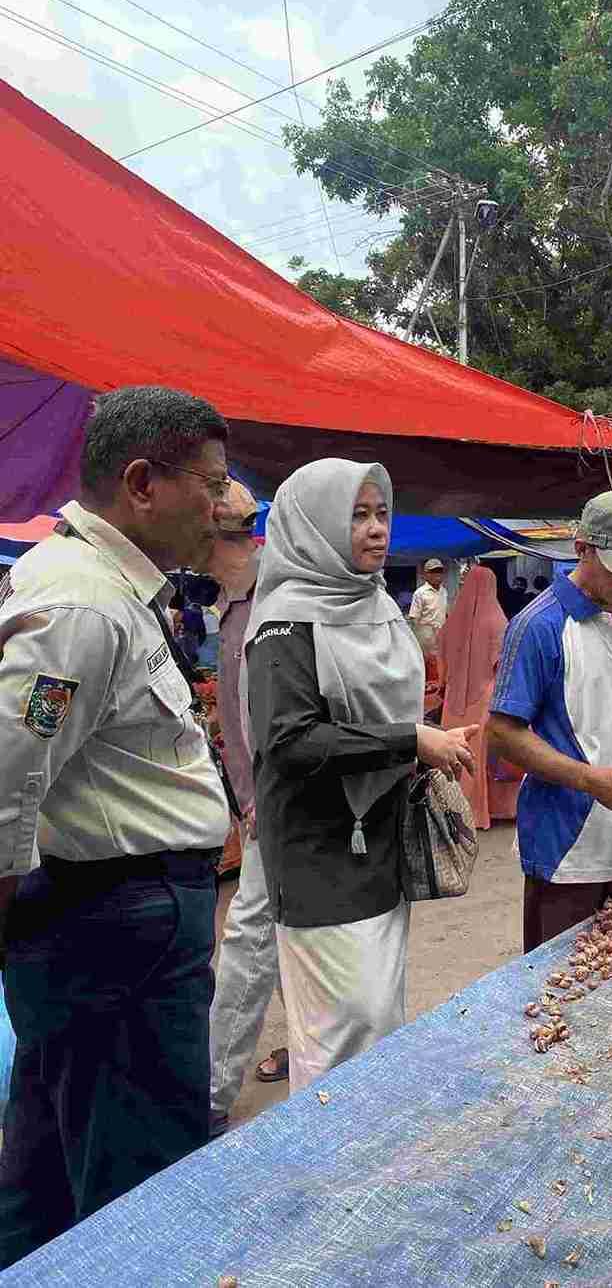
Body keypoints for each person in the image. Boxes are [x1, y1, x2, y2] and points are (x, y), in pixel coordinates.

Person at [0, 386, 232, 1267]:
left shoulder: (100, 591)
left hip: (114, 921)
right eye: (208, 485)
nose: (220, 506)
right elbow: (12, 774)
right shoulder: (83, 609)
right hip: (114, 926)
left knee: (58, 1162)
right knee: (137, 1182)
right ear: (142, 483)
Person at [244, 460, 476, 1093]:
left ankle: (367, 1171)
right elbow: (288, 743)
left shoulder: (374, 603)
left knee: (376, 1021)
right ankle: (323, 1179)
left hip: (381, 840)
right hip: (320, 854)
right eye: (356, 515)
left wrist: (423, 740)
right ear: (313, 525)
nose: (377, 530)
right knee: (338, 1034)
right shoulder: (285, 624)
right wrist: (409, 740)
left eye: (381, 514)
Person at [487, 490, 612, 953]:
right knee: (554, 989)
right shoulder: (539, 626)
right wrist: (592, 781)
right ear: (582, 548)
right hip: (565, 847)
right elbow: (502, 733)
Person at [206, 481, 290, 1137]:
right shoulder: (230, 605)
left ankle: (209, 1093)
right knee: (284, 937)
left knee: (246, 940)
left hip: (279, 803)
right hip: (256, 801)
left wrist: (262, 798)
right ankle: (318, 1041)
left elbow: (282, 715)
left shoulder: (272, 601)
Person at [438, 565, 521, 830]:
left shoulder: (453, 621)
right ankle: (485, 811)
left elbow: (440, 653)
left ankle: (451, 809)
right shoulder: (498, 622)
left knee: (451, 753)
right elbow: (505, 665)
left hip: (453, 699)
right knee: (482, 756)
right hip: (485, 697)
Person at [408, 557, 449, 656]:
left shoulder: (444, 591)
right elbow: (414, 619)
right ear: (426, 575)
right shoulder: (420, 593)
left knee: (439, 664)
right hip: (426, 635)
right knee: (427, 664)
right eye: (433, 572)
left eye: (440, 571)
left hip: (441, 634)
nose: (437, 575)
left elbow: (445, 613)